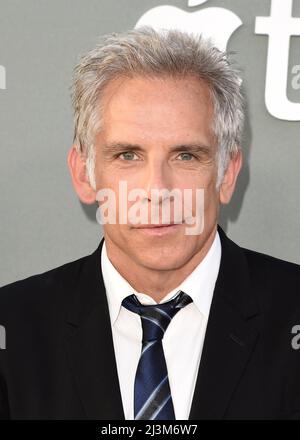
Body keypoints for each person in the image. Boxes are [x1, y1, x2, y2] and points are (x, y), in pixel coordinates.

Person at [0, 27, 300, 420]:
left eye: (186, 156)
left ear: (227, 174)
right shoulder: (12, 328)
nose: (157, 190)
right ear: (84, 174)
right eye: (127, 155)